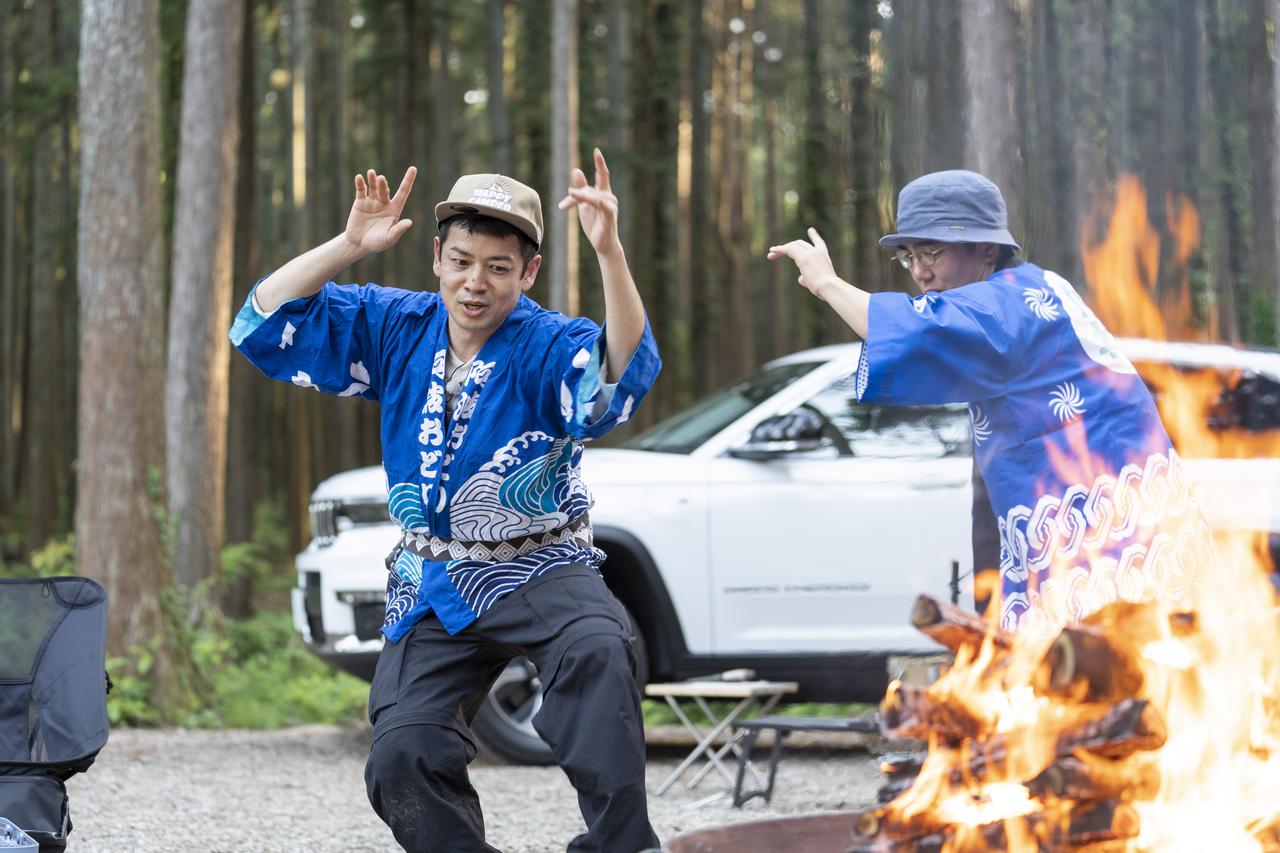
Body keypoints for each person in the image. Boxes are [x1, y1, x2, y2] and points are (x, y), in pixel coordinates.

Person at [229, 149, 662, 852]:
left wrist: (611, 255)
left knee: (597, 649)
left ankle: (623, 844)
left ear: (528, 272)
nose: (475, 282)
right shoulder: (396, 325)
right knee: (402, 752)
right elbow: (262, 323)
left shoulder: (549, 342)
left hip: (542, 564)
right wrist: (347, 246)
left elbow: (613, 380)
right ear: (436, 259)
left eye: (497, 267)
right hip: (433, 580)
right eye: (461, 261)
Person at [767, 170, 1211, 637]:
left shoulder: (1009, 305)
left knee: (1099, 680)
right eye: (909, 257)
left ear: (987, 249)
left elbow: (912, 334)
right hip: (1114, 530)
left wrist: (826, 283)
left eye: (932, 252)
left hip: (1109, 547)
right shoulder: (1033, 288)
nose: (920, 272)